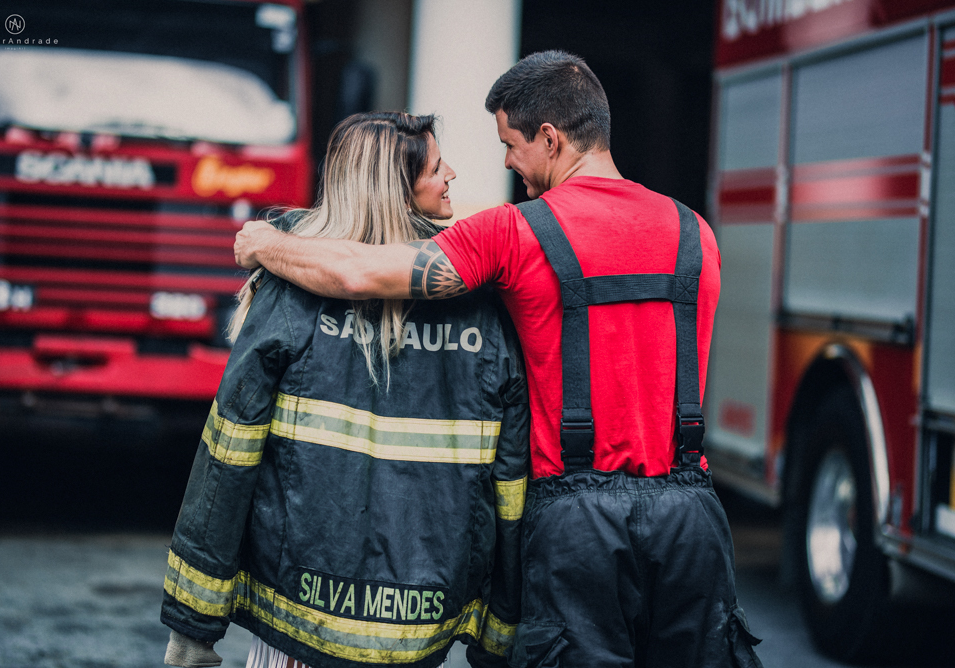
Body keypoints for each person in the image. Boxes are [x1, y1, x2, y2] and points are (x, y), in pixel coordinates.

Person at [233, 52, 764, 668]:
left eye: (511, 145)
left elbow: (358, 272)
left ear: (549, 138)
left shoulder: (513, 234)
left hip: (579, 525)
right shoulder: (696, 231)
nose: (508, 162)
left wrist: (270, 241)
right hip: (693, 520)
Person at [161, 112, 529, 668]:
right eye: (435, 166)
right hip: (421, 622)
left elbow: (228, 457)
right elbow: (510, 476)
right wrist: (500, 632)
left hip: (296, 619)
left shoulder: (290, 285)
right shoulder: (479, 298)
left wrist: (193, 626)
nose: (451, 173)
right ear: (395, 188)